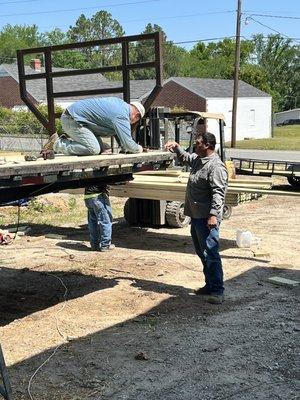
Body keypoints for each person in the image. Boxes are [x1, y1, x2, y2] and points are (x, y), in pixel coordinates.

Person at [165, 132, 228, 304]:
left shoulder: (216, 166)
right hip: (196, 215)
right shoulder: (199, 160)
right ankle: (209, 285)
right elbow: (186, 157)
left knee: (211, 253)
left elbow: (218, 193)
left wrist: (214, 215)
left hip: (207, 218)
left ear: (207, 145)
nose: (195, 145)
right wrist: (177, 148)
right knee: (202, 253)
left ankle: (217, 291)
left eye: (198, 143)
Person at [45, 97, 145, 155]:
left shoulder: (120, 104)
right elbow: (128, 143)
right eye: (136, 121)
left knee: (101, 148)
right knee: (93, 150)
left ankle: (64, 141)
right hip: (72, 120)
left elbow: (118, 133)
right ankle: (57, 144)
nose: (133, 123)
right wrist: (139, 148)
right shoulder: (122, 116)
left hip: (78, 119)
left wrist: (124, 148)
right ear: (136, 115)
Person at [84, 183, 115, 252]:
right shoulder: (102, 173)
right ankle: (105, 245)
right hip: (98, 197)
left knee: (92, 222)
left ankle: (94, 245)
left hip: (87, 197)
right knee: (106, 221)